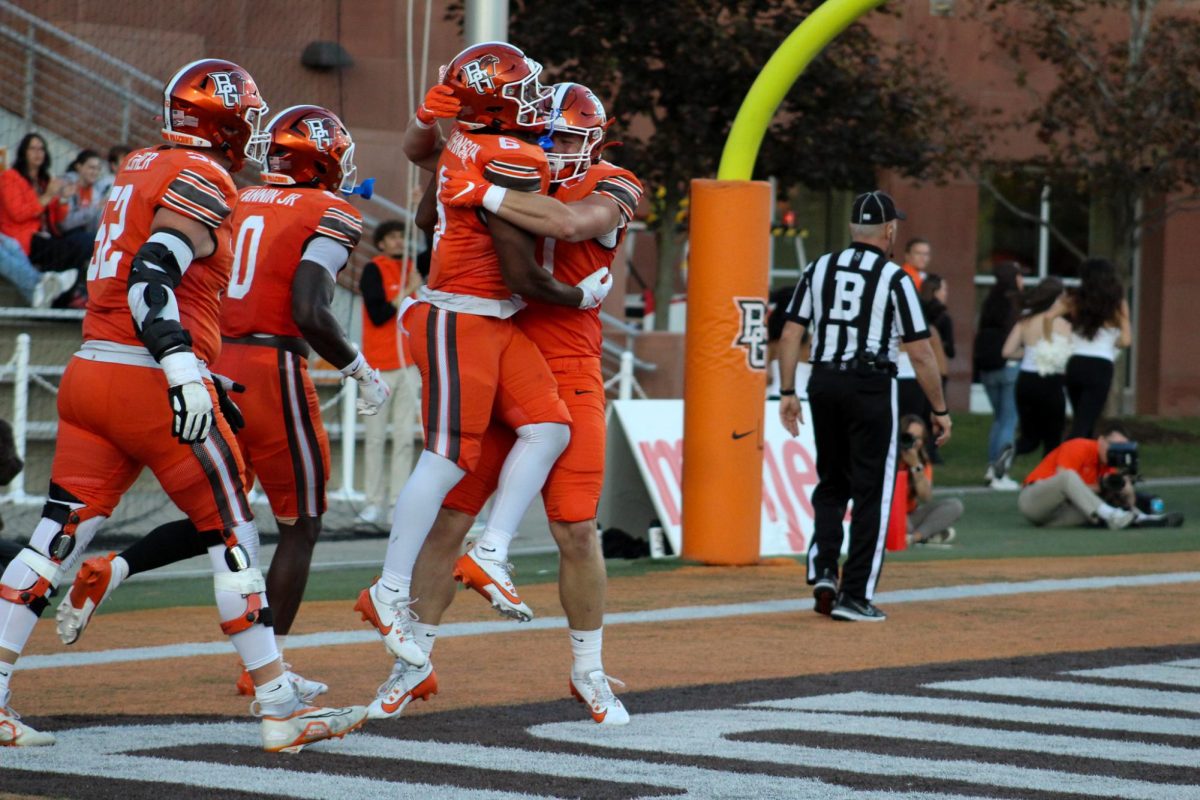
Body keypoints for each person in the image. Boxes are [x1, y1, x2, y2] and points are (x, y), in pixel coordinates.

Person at [0, 60, 366, 751]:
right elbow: (152, 274)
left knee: (54, 539)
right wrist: (179, 366)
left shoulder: (139, 165)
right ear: (222, 121)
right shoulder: (202, 177)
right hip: (147, 375)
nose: (251, 131)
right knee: (234, 532)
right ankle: (280, 705)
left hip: (91, 372)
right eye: (245, 117)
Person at [57, 105, 390, 700]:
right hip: (270, 366)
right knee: (299, 522)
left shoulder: (244, 194)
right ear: (324, 158)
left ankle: (114, 568)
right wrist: (357, 367)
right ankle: (269, 668)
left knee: (221, 505)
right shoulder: (332, 210)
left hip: (213, 360)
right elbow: (311, 308)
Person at [355, 42, 613, 713]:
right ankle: (406, 634)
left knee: (575, 523)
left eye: (568, 136)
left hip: (557, 360)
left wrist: (471, 181)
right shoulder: (504, 152)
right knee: (449, 494)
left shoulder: (608, 179)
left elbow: (572, 220)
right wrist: (471, 181)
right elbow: (437, 216)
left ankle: (585, 664)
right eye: (545, 126)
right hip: (483, 330)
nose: (554, 141)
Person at [778, 190, 951, 623]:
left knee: (832, 482)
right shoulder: (895, 279)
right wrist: (939, 408)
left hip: (824, 380)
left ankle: (823, 570)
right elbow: (922, 351)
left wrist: (786, 392)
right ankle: (855, 594)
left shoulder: (819, 267)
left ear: (853, 229)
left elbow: (790, 333)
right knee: (872, 490)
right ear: (890, 230)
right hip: (871, 383)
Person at [356, 219, 423, 526]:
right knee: (374, 437)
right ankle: (372, 502)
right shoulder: (374, 269)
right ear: (381, 242)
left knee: (404, 438)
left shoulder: (415, 268)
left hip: (408, 364)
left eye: (401, 236)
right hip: (377, 367)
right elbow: (378, 312)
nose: (398, 241)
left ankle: (398, 502)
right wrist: (407, 292)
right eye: (392, 237)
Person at [1050, 258, 1131, 439]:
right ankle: (1064, 464)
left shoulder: (1075, 300)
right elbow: (1126, 340)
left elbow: (1048, 317)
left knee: (1083, 420)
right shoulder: (1117, 304)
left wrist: (1053, 340)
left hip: (1075, 364)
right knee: (1084, 423)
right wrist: (1112, 342)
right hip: (1100, 366)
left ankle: (1083, 465)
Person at [1018, 421, 1137, 529]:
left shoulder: (1110, 467)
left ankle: (1131, 516)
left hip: (1059, 514)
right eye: (1114, 445)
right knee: (1068, 476)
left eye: (1122, 448)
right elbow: (1065, 483)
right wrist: (1100, 487)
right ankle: (1111, 515)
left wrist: (1127, 491)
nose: (1116, 451)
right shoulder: (1079, 446)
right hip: (1034, 500)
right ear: (1101, 440)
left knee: (1107, 504)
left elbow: (1120, 494)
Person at [0, 134, 90, 274]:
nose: (38, 153)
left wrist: (64, 199)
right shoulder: (10, 177)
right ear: (24, 152)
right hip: (26, 238)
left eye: (41, 149)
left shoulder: (45, 180)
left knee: (86, 243)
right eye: (33, 149)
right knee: (75, 251)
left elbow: (58, 218)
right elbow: (18, 214)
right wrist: (47, 195)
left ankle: (65, 292)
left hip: (49, 235)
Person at [1003, 276, 1071, 460]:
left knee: (1029, 438)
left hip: (1026, 381)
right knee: (1052, 439)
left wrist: (1028, 353)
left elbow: (1007, 351)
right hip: (1051, 383)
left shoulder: (1025, 321)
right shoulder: (1064, 325)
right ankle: (1046, 479)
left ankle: (1010, 452)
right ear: (1057, 299)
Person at [973, 261, 1024, 490]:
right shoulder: (1015, 304)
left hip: (987, 367)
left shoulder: (989, 302)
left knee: (999, 419)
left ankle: (991, 466)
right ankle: (1000, 471)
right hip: (1009, 366)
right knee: (1009, 420)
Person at [896, 415, 962, 546]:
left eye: (918, 438)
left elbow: (926, 497)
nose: (913, 442)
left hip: (911, 515)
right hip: (890, 514)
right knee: (903, 525)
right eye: (909, 437)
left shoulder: (922, 463)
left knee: (954, 506)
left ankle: (915, 537)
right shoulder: (888, 458)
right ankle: (927, 535)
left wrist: (915, 465)